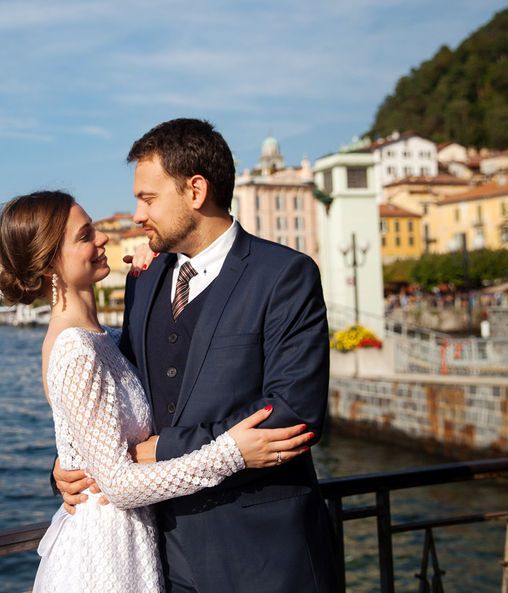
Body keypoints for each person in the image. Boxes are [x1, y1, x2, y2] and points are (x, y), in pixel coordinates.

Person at [55, 119, 340, 592]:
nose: (136, 216)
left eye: (147, 198)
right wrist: (70, 468)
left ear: (195, 190)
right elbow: (118, 395)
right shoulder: (142, 280)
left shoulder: (284, 275)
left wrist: (161, 451)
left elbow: (294, 414)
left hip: (264, 559)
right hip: (159, 560)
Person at [0, 190, 315, 593]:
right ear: (48, 266)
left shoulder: (106, 339)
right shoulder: (75, 348)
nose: (103, 239)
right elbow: (118, 484)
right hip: (105, 556)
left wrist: (162, 268)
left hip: (140, 543)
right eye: (85, 236)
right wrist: (230, 453)